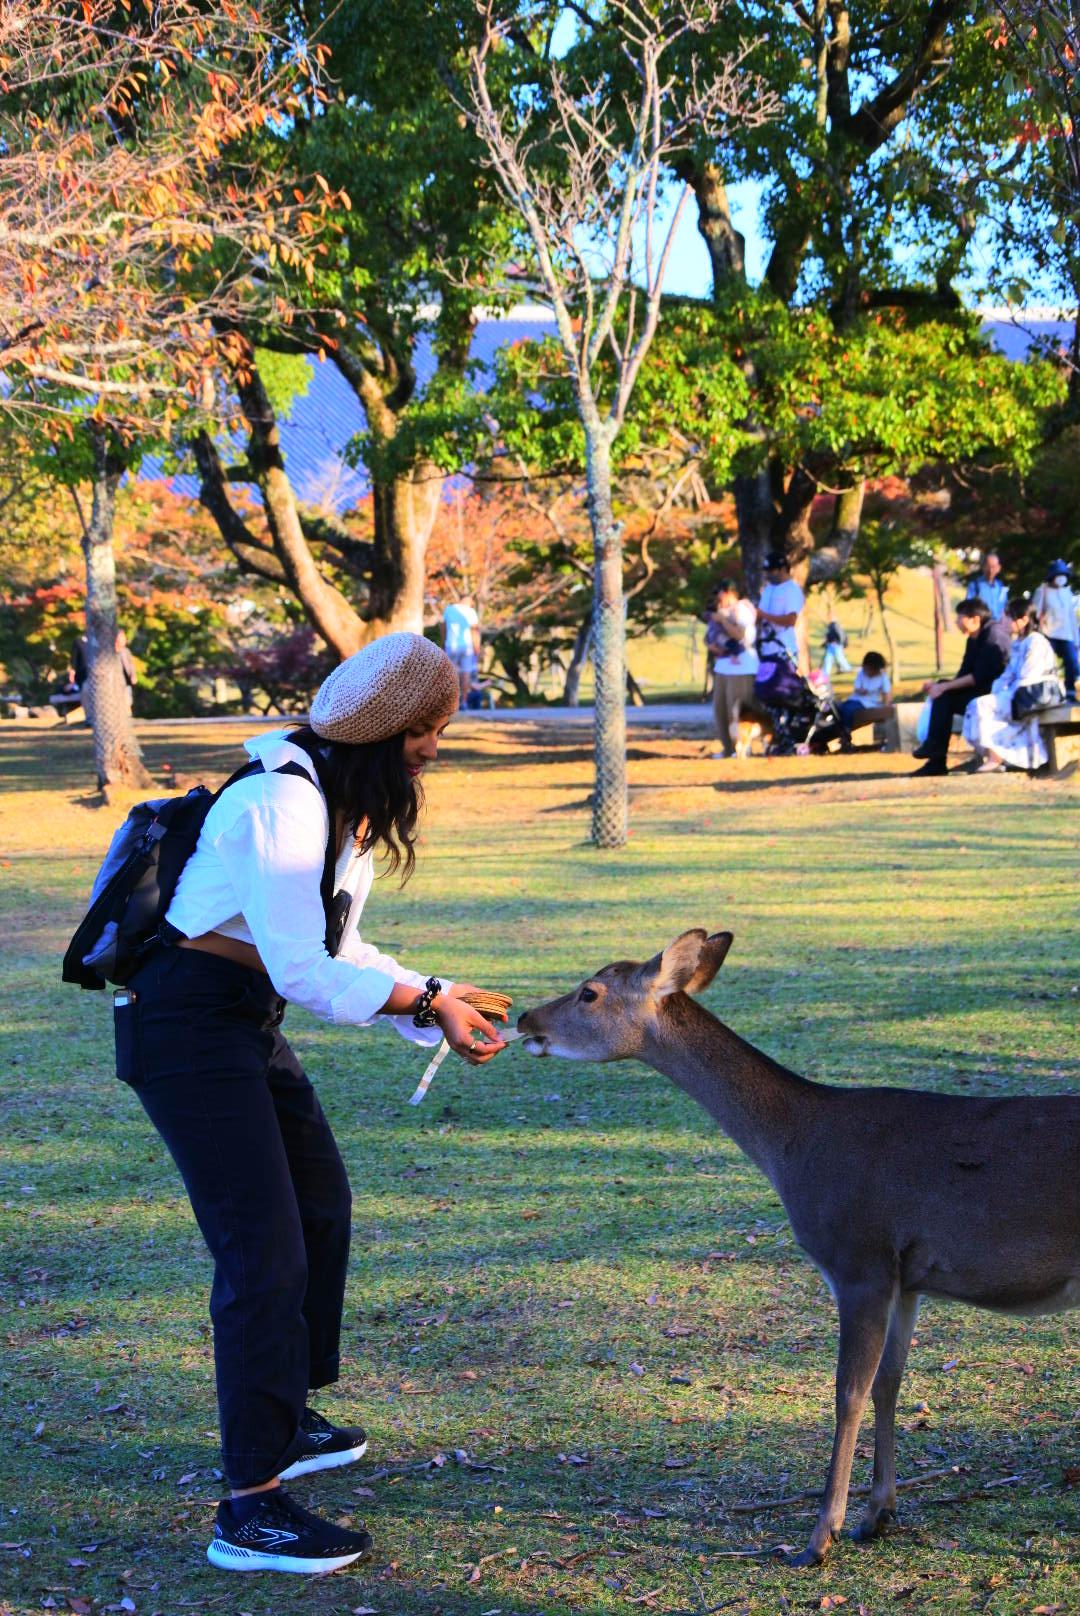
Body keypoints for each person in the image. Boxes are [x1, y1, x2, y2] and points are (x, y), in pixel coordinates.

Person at [117, 633, 508, 1575]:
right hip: (182, 1025)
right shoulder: (278, 806)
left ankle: (284, 1413)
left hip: (242, 1020)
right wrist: (425, 1005)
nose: (438, 747)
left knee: (321, 1207)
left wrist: (438, 992)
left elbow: (340, 948)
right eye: (430, 730)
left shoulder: (337, 807)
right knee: (264, 1251)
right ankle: (249, 1509)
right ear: (386, 731)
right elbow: (306, 970)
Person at [911, 597, 1011, 776]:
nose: (956, 621)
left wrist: (945, 687)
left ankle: (936, 754)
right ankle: (936, 759)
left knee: (944, 693)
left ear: (975, 619)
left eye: (959, 617)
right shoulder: (973, 638)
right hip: (979, 692)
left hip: (995, 695)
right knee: (942, 692)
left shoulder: (993, 635)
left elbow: (977, 677)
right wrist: (941, 686)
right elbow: (964, 673)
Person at [962, 597, 1064, 772]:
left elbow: (1029, 675)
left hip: (1034, 694)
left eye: (1009, 617)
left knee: (982, 705)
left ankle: (996, 758)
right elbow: (1009, 673)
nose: (1005, 621)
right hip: (1019, 692)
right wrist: (998, 689)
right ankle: (995, 756)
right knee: (977, 705)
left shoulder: (1036, 641)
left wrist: (1005, 692)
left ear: (1023, 619)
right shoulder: (1018, 643)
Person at [708, 578, 758, 759]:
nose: (719, 598)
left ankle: (743, 748)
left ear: (730, 593)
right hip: (723, 665)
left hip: (741, 667)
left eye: (722, 593)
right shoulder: (720, 611)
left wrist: (723, 619)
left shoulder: (741, 609)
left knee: (736, 709)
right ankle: (727, 748)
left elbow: (739, 634)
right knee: (720, 709)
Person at [1030, 559, 1079, 700]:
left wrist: (1076, 639)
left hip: (1066, 634)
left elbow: (1071, 618)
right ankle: (1045, 693)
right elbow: (1035, 613)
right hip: (1049, 633)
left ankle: (1070, 692)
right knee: (1046, 664)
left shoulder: (1067, 593)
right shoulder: (1043, 591)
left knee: (1072, 663)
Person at [756, 552, 806, 671]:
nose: (768, 575)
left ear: (783, 569)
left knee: (779, 687)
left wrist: (763, 615)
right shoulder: (768, 589)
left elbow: (790, 620)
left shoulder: (792, 589)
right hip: (765, 649)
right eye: (766, 571)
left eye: (771, 571)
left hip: (783, 650)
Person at [837, 651, 891, 733]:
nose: (865, 670)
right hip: (855, 699)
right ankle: (841, 729)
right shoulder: (861, 673)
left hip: (868, 703)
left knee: (847, 710)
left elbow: (886, 693)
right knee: (839, 708)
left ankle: (846, 730)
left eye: (868, 669)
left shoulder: (883, 677)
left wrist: (885, 707)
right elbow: (856, 688)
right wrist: (860, 691)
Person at [442, 595, 481, 708]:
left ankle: (449, 703)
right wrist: (477, 648)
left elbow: (443, 627)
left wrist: (444, 642)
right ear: (468, 601)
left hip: (451, 645)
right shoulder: (470, 611)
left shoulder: (449, 609)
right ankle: (463, 702)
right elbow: (474, 631)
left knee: (450, 674)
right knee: (466, 673)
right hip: (467, 646)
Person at [967, 550, 1009, 620]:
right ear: (983, 567)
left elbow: (1004, 606)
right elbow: (969, 606)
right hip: (981, 626)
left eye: (993, 567)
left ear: (998, 568)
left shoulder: (1001, 587)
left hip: (997, 626)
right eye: (988, 567)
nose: (991, 570)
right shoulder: (975, 585)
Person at [115, 629, 137, 711]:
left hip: (126, 681)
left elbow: (131, 665)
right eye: (122, 638)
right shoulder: (110, 652)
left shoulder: (126, 651)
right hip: (116, 681)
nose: (124, 640)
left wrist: (133, 675)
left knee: (128, 701)